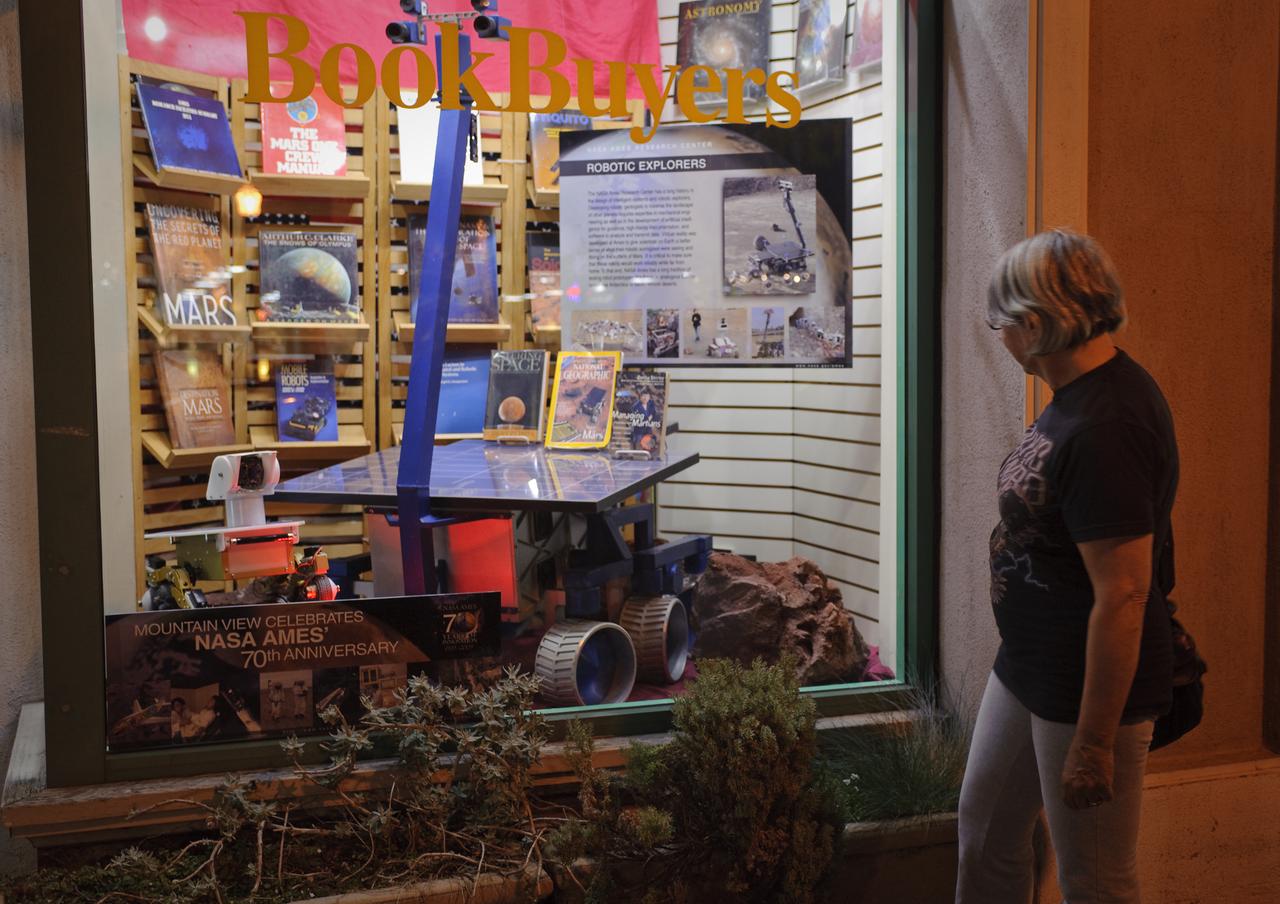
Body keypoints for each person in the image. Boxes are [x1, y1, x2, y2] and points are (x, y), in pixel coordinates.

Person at [956, 229, 1177, 904]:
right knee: (986, 834)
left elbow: (1125, 595)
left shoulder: (1109, 426)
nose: (999, 338)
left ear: (1034, 324)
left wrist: (1094, 743)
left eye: (1000, 324)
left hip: (1087, 690)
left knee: (1096, 880)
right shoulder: (1077, 394)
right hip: (1029, 666)